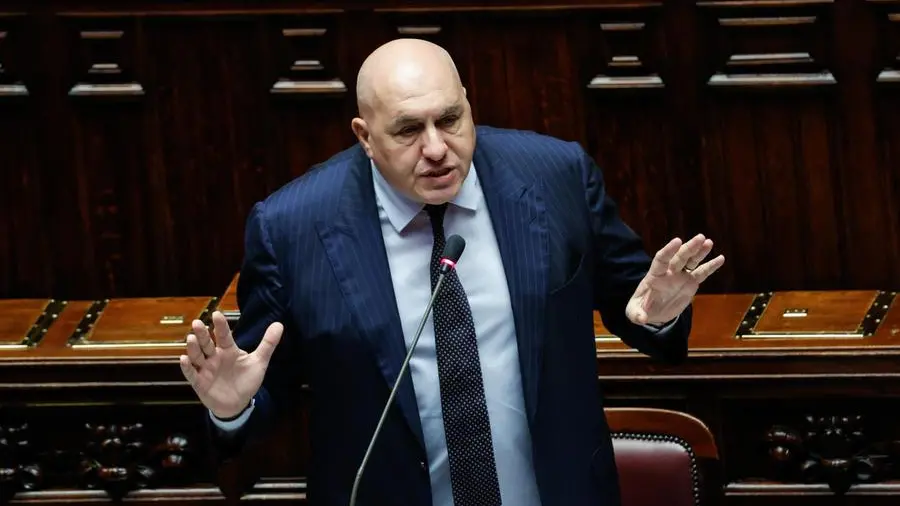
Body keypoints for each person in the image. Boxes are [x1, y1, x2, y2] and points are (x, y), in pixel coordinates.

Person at [179, 38, 724, 506]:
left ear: (467, 103)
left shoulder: (556, 178)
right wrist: (233, 409)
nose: (437, 148)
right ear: (364, 136)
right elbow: (262, 382)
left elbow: (638, 306)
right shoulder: (292, 227)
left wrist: (659, 316)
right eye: (408, 130)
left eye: (449, 119)